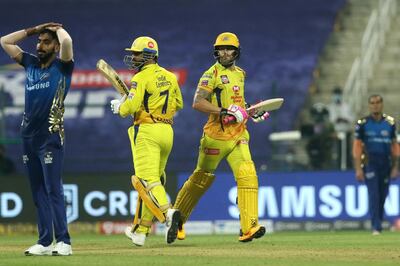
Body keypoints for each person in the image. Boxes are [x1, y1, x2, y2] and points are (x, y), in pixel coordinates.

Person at [173, 32, 269, 243]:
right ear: (216, 51)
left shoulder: (241, 73)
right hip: (216, 136)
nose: (225, 52)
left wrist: (252, 111)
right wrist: (224, 111)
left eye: (229, 49)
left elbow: (239, 104)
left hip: (238, 134)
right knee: (201, 178)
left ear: (237, 51)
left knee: (248, 173)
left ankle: (249, 227)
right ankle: (177, 218)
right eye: (221, 49)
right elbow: (198, 102)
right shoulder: (211, 74)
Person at [0, 23, 74, 255]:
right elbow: (5, 41)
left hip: (50, 136)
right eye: (39, 41)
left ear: (55, 46)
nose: (40, 45)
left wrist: (58, 30)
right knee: (38, 191)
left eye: (46, 42)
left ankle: (64, 241)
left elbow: (68, 43)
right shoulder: (31, 63)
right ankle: (44, 242)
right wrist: (35, 29)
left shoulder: (63, 67)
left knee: (53, 189)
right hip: (28, 136)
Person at [110, 36, 183, 246]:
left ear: (148, 56)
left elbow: (129, 108)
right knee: (152, 182)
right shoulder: (170, 76)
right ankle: (140, 231)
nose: (133, 57)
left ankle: (169, 213)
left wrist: (120, 107)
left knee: (145, 181)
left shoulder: (140, 78)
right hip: (167, 132)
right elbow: (179, 104)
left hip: (147, 132)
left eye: (137, 54)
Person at [353, 94, 399, 235]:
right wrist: (358, 169)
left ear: (382, 104)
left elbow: (395, 147)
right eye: (372, 103)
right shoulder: (362, 124)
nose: (375, 105)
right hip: (370, 162)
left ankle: (378, 223)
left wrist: (395, 167)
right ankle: (375, 226)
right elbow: (357, 147)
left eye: (378, 102)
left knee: (383, 195)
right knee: (374, 195)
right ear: (369, 105)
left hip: (386, 163)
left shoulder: (390, 123)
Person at [327, 86, 354, 169]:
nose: (337, 97)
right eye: (336, 95)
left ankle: (348, 167)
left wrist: (344, 119)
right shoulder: (330, 107)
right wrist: (337, 119)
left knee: (346, 151)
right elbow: (330, 120)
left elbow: (351, 118)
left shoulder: (346, 106)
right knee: (337, 152)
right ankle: (336, 168)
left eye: (338, 94)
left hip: (346, 131)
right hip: (335, 133)